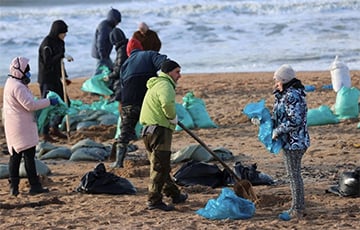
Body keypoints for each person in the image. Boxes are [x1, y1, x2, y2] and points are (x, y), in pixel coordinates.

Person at [4, 57, 59, 196]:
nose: (28, 74)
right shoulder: (17, 87)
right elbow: (30, 105)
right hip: (21, 126)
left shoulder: (11, 83)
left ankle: (14, 187)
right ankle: (34, 186)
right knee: (28, 155)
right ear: (20, 71)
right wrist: (48, 102)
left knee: (15, 155)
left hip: (15, 125)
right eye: (27, 71)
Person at [110, 38, 168, 169]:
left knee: (124, 131)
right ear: (140, 48)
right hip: (146, 102)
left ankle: (119, 162)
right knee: (152, 129)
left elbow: (121, 85)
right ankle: (155, 158)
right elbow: (165, 63)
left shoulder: (125, 64)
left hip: (128, 103)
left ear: (128, 52)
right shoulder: (149, 55)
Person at [139, 60, 188, 211]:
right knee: (160, 166)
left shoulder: (156, 85)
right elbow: (166, 103)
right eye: (177, 72)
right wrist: (172, 116)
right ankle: (154, 201)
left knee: (161, 164)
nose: (179, 75)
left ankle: (174, 194)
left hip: (148, 130)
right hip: (159, 130)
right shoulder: (165, 85)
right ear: (168, 73)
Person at [266, 64, 310, 220]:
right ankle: (298, 207)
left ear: (284, 80)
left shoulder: (292, 95)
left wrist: (277, 132)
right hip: (292, 141)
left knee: (294, 176)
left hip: (295, 142)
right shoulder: (285, 93)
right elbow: (281, 116)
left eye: (277, 80)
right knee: (294, 174)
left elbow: (295, 120)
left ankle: (297, 209)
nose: (275, 83)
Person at [38, 19, 73, 142]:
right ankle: (45, 133)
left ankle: (55, 127)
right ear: (57, 32)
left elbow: (60, 63)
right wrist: (61, 56)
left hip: (56, 78)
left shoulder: (60, 43)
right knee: (47, 105)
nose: (64, 36)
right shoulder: (47, 43)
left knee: (66, 103)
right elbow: (48, 62)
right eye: (63, 33)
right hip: (46, 79)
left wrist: (65, 77)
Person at [91, 8, 122, 75]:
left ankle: (109, 83)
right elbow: (100, 42)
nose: (117, 24)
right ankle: (93, 84)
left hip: (105, 54)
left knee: (111, 68)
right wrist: (102, 56)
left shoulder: (109, 26)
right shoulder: (104, 27)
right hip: (101, 54)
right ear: (113, 19)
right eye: (117, 21)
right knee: (99, 71)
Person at [104, 27, 128, 96]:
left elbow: (118, 70)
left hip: (123, 79)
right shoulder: (126, 46)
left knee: (113, 87)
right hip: (127, 75)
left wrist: (109, 76)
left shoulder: (121, 50)